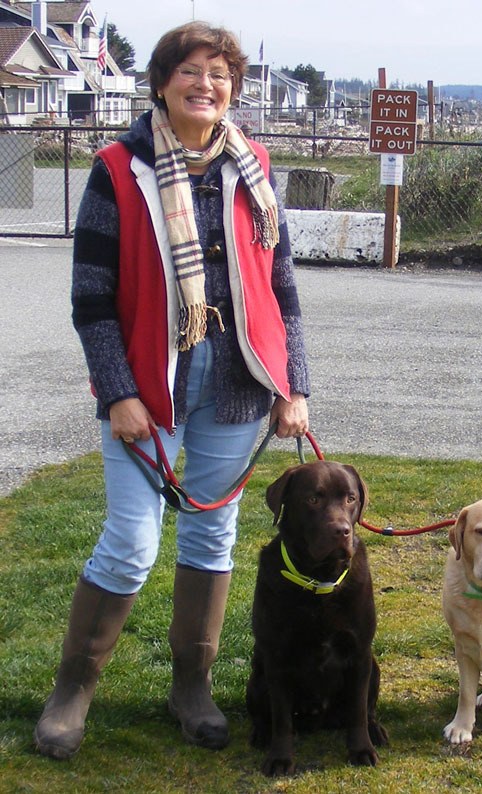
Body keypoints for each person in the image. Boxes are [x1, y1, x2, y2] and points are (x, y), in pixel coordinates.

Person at [34, 21, 310, 760]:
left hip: (237, 386)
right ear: (162, 82)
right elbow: (90, 301)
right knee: (129, 544)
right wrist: (117, 393)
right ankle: (73, 691)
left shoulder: (252, 167)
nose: (206, 86)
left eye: (220, 75)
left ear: (233, 90)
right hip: (147, 391)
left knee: (212, 536)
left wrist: (294, 386)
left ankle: (191, 688)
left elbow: (280, 290)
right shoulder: (118, 169)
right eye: (191, 72)